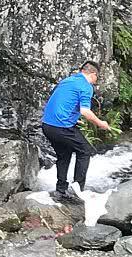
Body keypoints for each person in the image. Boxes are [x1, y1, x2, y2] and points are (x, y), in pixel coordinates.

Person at [41, 60, 110, 200]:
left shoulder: (68, 81)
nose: (96, 81)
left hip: (47, 125)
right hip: (61, 127)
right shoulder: (86, 86)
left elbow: (62, 101)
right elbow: (85, 111)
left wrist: (73, 117)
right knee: (85, 151)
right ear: (93, 74)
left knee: (64, 154)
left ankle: (60, 190)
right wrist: (100, 123)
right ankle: (77, 190)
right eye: (97, 78)